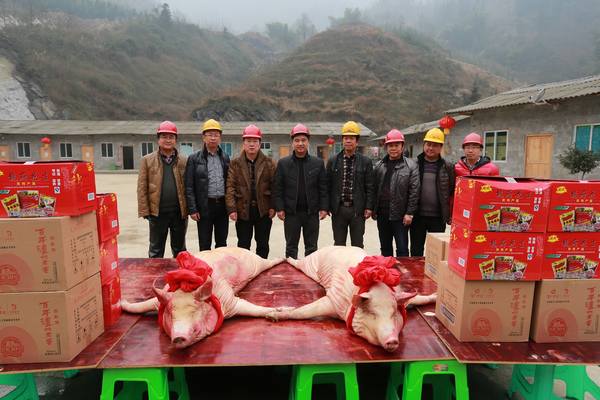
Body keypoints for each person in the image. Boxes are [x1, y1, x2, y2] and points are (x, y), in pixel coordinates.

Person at [274, 123, 328, 259]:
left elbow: (323, 187)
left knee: (312, 247)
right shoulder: (283, 164)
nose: (300, 143)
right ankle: (290, 271)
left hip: (311, 213)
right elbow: (278, 188)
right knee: (291, 247)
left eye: (303, 140)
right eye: (297, 140)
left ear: (308, 142)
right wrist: (279, 208)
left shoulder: (317, 163)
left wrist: (324, 208)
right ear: (292, 143)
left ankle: (310, 270)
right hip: (291, 213)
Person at [137, 120, 188, 258]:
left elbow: (188, 186)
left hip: (179, 213)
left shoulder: (184, 161)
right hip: (157, 213)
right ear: (158, 139)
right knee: (156, 250)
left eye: (171, 137)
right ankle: (155, 272)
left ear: (176, 140)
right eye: (164, 136)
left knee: (180, 250)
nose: (168, 140)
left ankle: (180, 271)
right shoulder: (147, 160)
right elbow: (142, 187)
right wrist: (145, 211)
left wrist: (189, 209)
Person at [225, 124, 276, 258]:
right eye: (248, 141)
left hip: (263, 211)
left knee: (263, 244)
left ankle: (262, 267)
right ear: (244, 143)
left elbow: (275, 186)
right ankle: (245, 269)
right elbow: (230, 187)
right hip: (243, 210)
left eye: (255, 141)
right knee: (243, 245)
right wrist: (231, 208)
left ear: (260, 143)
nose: (251, 144)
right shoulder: (235, 163)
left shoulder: (269, 163)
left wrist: (273, 206)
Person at [326, 121, 374, 248]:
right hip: (339, 209)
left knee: (357, 245)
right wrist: (326, 206)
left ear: (357, 141)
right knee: (339, 245)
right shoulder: (333, 161)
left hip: (357, 210)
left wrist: (369, 207)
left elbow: (370, 186)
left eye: (352, 138)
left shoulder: (366, 162)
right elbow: (327, 185)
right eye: (346, 138)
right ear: (342, 140)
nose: (348, 141)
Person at [185, 118, 230, 251]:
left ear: (220, 138)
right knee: (205, 243)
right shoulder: (194, 159)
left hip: (222, 206)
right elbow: (189, 186)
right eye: (210, 134)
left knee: (222, 243)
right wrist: (193, 209)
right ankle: (205, 265)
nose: (213, 138)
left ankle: (220, 265)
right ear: (203, 137)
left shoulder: (225, 157)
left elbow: (229, 182)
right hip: (204, 206)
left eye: (216, 135)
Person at [372, 129, 420, 257]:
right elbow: (374, 189)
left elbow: (414, 191)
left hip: (400, 216)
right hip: (382, 214)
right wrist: (372, 209)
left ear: (402, 146)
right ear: (386, 147)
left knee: (402, 249)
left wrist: (409, 213)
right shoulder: (379, 166)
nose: (393, 148)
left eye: (396, 145)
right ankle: (387, 269)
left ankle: (403, 270)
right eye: (390, 145)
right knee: (385, 248)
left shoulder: (411, 166)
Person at [410, 128, 455, 257]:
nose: (430, 148)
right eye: (428, 144)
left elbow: (451, 191)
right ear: (424, 145)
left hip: (438, 217)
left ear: (441, 147)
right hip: (417, 216)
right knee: (416, 250)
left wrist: (450, 214)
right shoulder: (414, 164)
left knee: (435, 252)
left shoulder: (448, 167)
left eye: (435, 145)